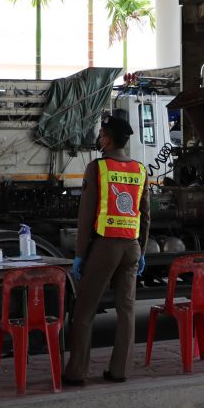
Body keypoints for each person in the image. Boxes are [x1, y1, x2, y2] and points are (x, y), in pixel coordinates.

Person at [63, 115, 150, 385]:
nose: (99, 139)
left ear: (108, 139)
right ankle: (119, 371)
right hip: (132, 247)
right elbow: (145, 215)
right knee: (126, 309)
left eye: (101, 134)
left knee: (85, 310)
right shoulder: (140, 169)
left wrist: (79, 254)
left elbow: (86, 215)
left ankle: (77, 372)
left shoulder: (97, 168)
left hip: (105, 246)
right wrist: (142, 250)